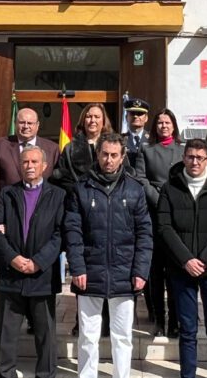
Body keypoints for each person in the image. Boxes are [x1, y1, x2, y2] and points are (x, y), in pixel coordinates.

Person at [65, 133, 152, 378]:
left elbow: (145, 234)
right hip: (89, 273)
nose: (109, 160)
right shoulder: (81, 188)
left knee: (122, 336)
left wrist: (140, 271)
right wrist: (77, 268)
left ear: (123, 157)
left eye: (114, 155)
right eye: (104, 154)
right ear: (97, 154)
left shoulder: (135, 189)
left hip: (125, 275)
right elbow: (73, 231)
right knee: (88, 336)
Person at [158, 139, 207, 378]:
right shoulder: (169, 187)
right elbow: (164, 227)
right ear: (184, 158)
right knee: (188, 330)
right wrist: (186, 260)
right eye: (190, 157)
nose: (195, 162)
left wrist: (204, 259)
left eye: (200, 158)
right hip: (182, 270)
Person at [0, 145, 65, 378]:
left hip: (41, 275)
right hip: (12, 275)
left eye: (34, 162)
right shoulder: (7, 193)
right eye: (25, 162)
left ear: (44, 166)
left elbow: (60, 233)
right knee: (8, 332)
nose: (29, 166)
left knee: (45, 333)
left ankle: (45, 374)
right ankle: (5, 373)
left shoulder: (58, 195)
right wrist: (13, 258)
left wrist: (38, 262)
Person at [135, 107, 186, 338]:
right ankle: (158, 318)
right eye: (160, 123)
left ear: (173, 125)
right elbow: (141, 179)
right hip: (154, 215)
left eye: (167, 122)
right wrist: (160, 201)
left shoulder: (183, 151)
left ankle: (175, 320)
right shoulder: (146, 151)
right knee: (155, 273)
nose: (163, 126)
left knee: (175, 271)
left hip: (177, 218)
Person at [0, 107, 60, 205]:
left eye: (30, 123)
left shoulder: (52, 148)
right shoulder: (0, 145)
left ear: (37, 125)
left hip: (42, 207)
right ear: (15, 124)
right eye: (22, 122)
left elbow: (57, 182)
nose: (26, 126)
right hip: (8, 205)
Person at [51, 103, 115, 193]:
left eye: (97, 117)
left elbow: (124, 173)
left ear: (104, 121)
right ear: (83, 120)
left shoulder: (114, 146)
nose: (92, 120)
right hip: (79, 199)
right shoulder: (70, 148)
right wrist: (77, 191)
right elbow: (61, 177)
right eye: (88, 117)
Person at [122, 96, 150, 169]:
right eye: (132, 113)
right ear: (126, 117)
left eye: (140, 114)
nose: (135, 116)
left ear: (146, 118)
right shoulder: (120, 140)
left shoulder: (153, 139)